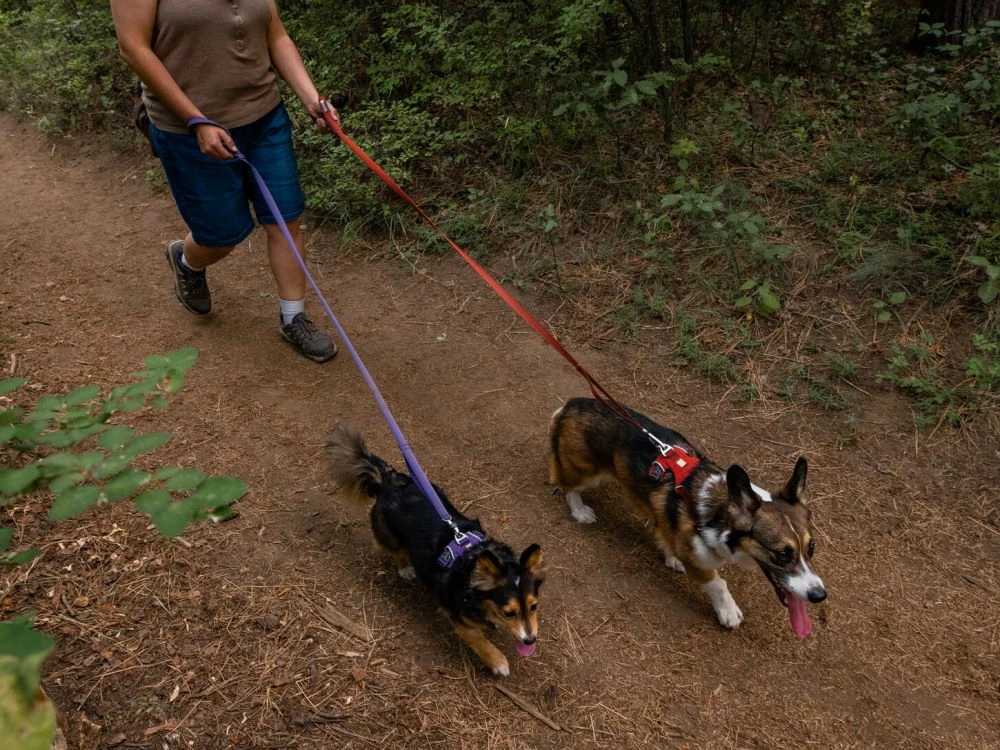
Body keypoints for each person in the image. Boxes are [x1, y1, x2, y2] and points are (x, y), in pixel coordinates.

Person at [110, 0, 338, 363]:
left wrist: (312, 99)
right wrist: (195, 120)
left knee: (284, 217)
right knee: (221, 237)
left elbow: (276, 36)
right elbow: (133, 48)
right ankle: (188, 260)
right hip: (187, 131)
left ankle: (293, 317)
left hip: (264, 118)